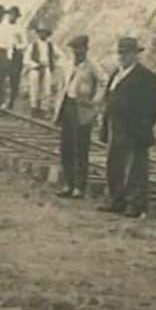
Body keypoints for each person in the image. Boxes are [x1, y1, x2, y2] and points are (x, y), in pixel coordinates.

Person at [98, 36, 156, 217]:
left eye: (126, 53)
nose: (122, 57)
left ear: (135, 54)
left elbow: (154, 105)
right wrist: (105, 125)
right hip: (115, 126)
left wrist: (143, 126)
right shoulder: (115, 74)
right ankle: (117, 200)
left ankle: (135, 204)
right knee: (114, 165)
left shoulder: (146, 77)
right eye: (120, 53)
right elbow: (109, 102)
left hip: (134, 129)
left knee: (135, 168)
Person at [53, 35, 102, 198]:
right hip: (67, 106)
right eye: (74, 50)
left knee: (80, 148)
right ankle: (68, 183)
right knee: (66, 147)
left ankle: (79, 186)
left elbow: (104, 81)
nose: (77, 53)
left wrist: (94, 101)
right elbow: (62, 83)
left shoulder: (92, 66)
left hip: (82, 108)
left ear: (86, 50)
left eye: (80, 50)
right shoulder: (68, 65)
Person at [26, 25, 58, 117]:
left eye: (45, 33)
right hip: (35, 68)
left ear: (47, 34)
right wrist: (34, 65)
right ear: (38, 34)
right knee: (34, 88)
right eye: (41, 32)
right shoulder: (33, 45)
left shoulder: (51, 45)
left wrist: (54, 64)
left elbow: (60, 55)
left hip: (46, 68)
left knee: (46, 89)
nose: (43, 34)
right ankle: (33, 108)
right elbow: (26, 59)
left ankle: (43, 109)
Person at [6, 6, 26, 109]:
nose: (11, 16)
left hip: (15, 54)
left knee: (14, 77)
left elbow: (24, 43)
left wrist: (17, 46)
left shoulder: (20, 28)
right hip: (4, 52)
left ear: (17, 17)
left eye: (13, 15)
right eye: (10, 14)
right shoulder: (3, 26)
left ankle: (11, 100)